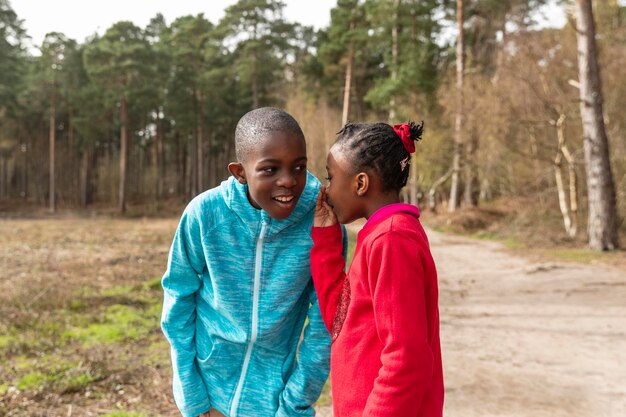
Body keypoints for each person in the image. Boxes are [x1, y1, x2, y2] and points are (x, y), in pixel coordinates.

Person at [161, 107, 334, 417]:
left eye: (299, 167)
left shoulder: (320, 221)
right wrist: (193, 396)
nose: (289, 181)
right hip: (209, 393)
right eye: (270, 169)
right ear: (239, 172)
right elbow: (178, 301)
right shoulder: (205, 214)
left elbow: (324, 323)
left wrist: (294, 404)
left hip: (277, 400)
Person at [310, 121, 444, 417]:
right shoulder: (379, 235)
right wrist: (326, 238)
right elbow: (340, 318)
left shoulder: (391, 239)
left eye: (331, 178)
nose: (328, 190)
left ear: (360, 184)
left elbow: (406, 360)